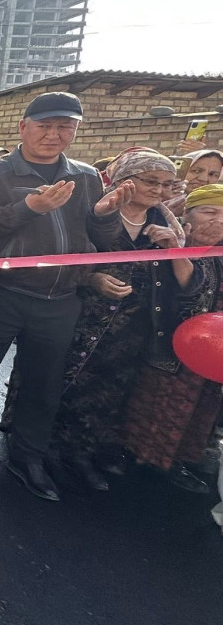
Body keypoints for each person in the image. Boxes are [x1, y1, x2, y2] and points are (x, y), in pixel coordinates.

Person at [0, 92, 129, 502]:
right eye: (45, 125)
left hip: (60, 298)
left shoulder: (86, 177)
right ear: (23, 127)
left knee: (44, 385)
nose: (54, 134)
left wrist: (105, 215)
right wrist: (29, 207)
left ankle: (28, 457)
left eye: (65, 127)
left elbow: (100, 239)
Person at [13, 150, 190, 492]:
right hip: (80, 315)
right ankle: (39, 450)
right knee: (56, 381)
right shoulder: (92, 212)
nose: (158, 190)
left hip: (131, 326)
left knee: (107, 391)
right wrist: (92, 278)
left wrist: (172, 246)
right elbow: (58, 255)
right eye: (150, 181)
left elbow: (180, 278)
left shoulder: (167, 223)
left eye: (167, 184)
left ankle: (80, 453)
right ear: (124, 180)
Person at [122, 184, 223, 490]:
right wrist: (178, 250)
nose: (218, 221)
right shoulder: (166, 243)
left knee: (200, 410)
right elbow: (192, 288)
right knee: (163, 407)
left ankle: (178, 461)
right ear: (187, 215)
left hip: (213, 353)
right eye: (210, 212)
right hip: (172, 347)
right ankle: (149, 463)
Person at [167, 149, 223, 219]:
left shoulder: (219, 206)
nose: (204, 179)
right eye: (196, 171)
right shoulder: (157, 198)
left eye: (212, 174)